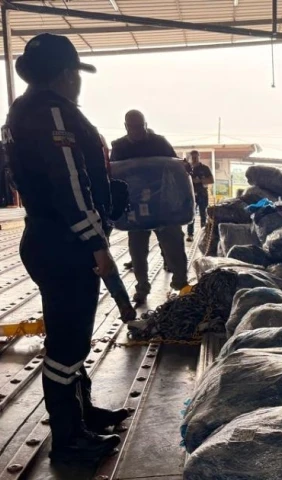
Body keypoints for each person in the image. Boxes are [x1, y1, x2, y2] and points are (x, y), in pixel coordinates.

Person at [2, 33, 127, 463]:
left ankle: (82, 413)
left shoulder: (26, 109)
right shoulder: (53, 112)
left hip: (50, 237)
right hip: (64, 241)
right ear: (65, 74)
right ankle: (68, 439)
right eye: (76, 72)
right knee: (67, 345)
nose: (78, 81)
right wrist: (96, 243)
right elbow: (69, 185)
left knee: (72, 338)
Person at [110, 110, 190, 303]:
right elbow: (114, 174)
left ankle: (181, 284)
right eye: (132, 127)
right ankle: (142, 287)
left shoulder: (159, 142)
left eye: (140, 126)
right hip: (135, 206)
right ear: (126, 126)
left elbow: (175, 167)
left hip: (162, 205)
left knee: (174, 245)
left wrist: (184, 167)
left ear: (146, 125)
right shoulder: (119, 146)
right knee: (137, 250)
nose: (137, 130)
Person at [186, 150, 213, 242]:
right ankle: (190, 235)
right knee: (190, 215)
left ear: (199, 157)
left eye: (196, 157)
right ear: (189, 158)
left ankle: (204, 235)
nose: (194, 159)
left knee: (204, 214)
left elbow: (211, 180)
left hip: (202, 194)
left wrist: (200, 181)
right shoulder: (187, 168)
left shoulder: (205, 168)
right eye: (192, 157)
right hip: (191, 195)